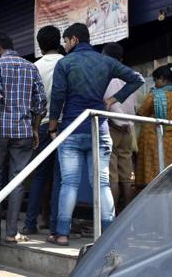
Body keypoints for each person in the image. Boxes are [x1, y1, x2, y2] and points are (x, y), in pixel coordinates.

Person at [48, 23, 144, 246]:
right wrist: (111, 100)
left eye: (65, 40)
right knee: (101, 183)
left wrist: (53, 127)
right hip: (99, 129)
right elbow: (137, 79)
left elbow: (58, 98)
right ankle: (108, 235)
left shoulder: (65, 63)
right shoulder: (106, 61)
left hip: (72, 129)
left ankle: (62, 234)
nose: (64, 45)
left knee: (69, 183)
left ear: (73, 39)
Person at [0, 33, 47, 243]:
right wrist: (36, 128)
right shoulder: (32, 67)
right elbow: (41, 103)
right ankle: (11, 233)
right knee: (18, 181)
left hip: (0, 130)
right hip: (24, 131)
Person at [23, 26, 64, 240]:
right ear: (59, 41)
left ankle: (31, 223)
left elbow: (30, 101)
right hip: (65, 125)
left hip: (40, 124)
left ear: (39, 45)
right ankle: (57, 227)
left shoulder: (33, 67)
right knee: (60, 177)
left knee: (40, 176)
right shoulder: (66, 63)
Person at [135, 64, 172, 186]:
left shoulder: (155, 95)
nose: (155, 84)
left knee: (152, 178)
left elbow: (140, 115)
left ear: (162, 78)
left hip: (154, 141)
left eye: (155, 80)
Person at [102, 42, 139, 212]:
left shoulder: (104, 76)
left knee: (112, 178)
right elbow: (135, 107)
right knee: (127, 177)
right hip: (128, 130)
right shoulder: (133, 77)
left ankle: (112, 219)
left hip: (111, 128)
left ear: (104, 56)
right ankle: (127, 221)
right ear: (121, 59)